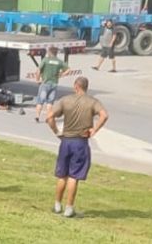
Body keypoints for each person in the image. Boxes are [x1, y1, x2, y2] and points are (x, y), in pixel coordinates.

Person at [46, 77, 108, 218]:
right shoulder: (92, 102)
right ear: (86, 87)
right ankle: (69, 208)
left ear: (75, 86)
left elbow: (49, 117)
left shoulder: (65, 100)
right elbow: (104, 115)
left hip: (66, 141)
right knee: (74, 176)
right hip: (80, 142)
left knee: (62, 175)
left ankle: (57, 205)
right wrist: (95, 129)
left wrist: (57, 131)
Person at [35, 46, 69, 123]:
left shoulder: (45, 60)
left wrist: (37, 80)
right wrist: (61, 75)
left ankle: (37, 116)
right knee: (50, 102)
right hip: (54, 84)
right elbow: (68, 69)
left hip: (45, 83)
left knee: (40, 101)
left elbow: (38, 71)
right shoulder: (59, 61)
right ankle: (48, 117)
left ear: (49, 52)